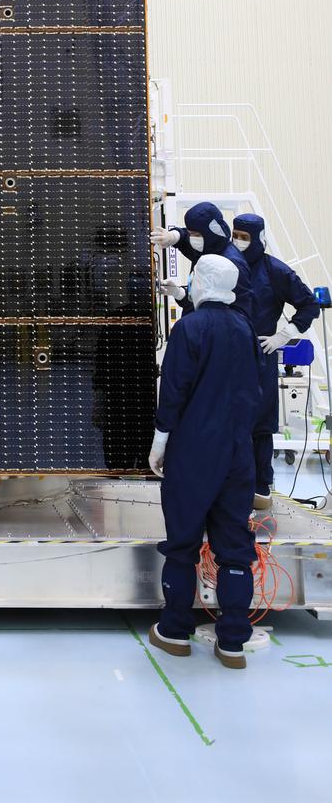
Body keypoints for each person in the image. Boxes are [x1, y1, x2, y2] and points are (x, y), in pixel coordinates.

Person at [148, 256, 261, 670]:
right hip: (237, 452)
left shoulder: (189, 328)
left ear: (201, 281)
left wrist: (160, 440)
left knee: (182, 545)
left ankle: (175, 631)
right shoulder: (244, 327)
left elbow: (174, 388)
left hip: (194, 450)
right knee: (234, 548)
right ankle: (232, 642)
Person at [232, 214, 320, 509]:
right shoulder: (224, 262)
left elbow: (309, 304)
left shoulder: (275, 272)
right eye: (235, 234)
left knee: (260, 425)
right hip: (227, 354)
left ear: (259, 237)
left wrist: (285, 334)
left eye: (244, 236)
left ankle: (261, 487)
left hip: (261, 355)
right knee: (227, 421)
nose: (238, 241)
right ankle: (228, 485)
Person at [151, 201, 254, 323]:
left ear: (211, 232)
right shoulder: (206, 247)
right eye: (191, 234)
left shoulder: (232, 264)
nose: (192, 238)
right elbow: (201, 298)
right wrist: (173, 236)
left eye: (195, 234)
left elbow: (238, 310)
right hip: (199, 325)